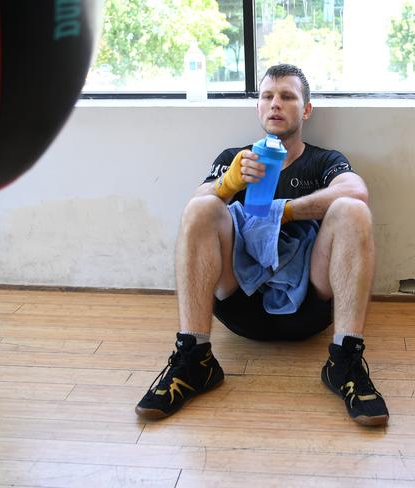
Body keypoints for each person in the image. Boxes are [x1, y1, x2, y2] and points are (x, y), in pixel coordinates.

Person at [136, 64, 389, 426]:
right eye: (267, 96)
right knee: (203, 206)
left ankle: (345, 360)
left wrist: (284, 212)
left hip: (309, 306)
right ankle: (195, 359)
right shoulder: (235, 159)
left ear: (306, 110)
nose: (275, 104)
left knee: (353, 210)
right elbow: (197, 204)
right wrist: (228, 183)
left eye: (287, 96)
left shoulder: (325, 160)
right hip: (239, 302)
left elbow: (355, 190)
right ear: (257, 106)